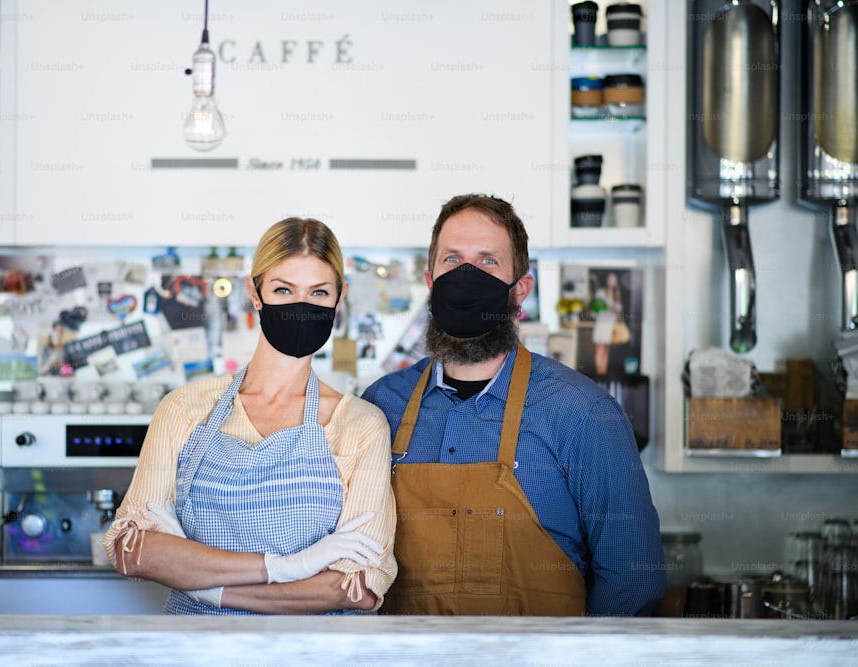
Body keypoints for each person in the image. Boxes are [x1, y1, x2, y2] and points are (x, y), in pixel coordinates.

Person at [361, 194, 665, 616]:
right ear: (431, 283)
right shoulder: (380, 406)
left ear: (520, 289)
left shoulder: (581, 412)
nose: (466, 275)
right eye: (452, 260)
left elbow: (633, 580)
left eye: (488, 262)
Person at [104, 217, 397, 615]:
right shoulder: (186, 409)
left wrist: (209, 588)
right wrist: (283, 568)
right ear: (254, 292)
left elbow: (355, 588)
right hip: (195, 655)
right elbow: (130, 549)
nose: (301, 306)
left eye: (318, 292)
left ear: (339, 299)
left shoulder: (360, 425)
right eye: (283, 289)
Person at [591, 271, 624, 376]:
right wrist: (609, 307)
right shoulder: (601, 293)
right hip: (601, 324)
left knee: (606, 350)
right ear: (607, 280)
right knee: (599, 349)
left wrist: (615, 309)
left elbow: (619, 310)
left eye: (613, 280)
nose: (611, 281)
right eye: (610, 279)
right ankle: (599, 374)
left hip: (611, 325)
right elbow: (595, 308)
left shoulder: (617, 295)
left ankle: (603, 374)